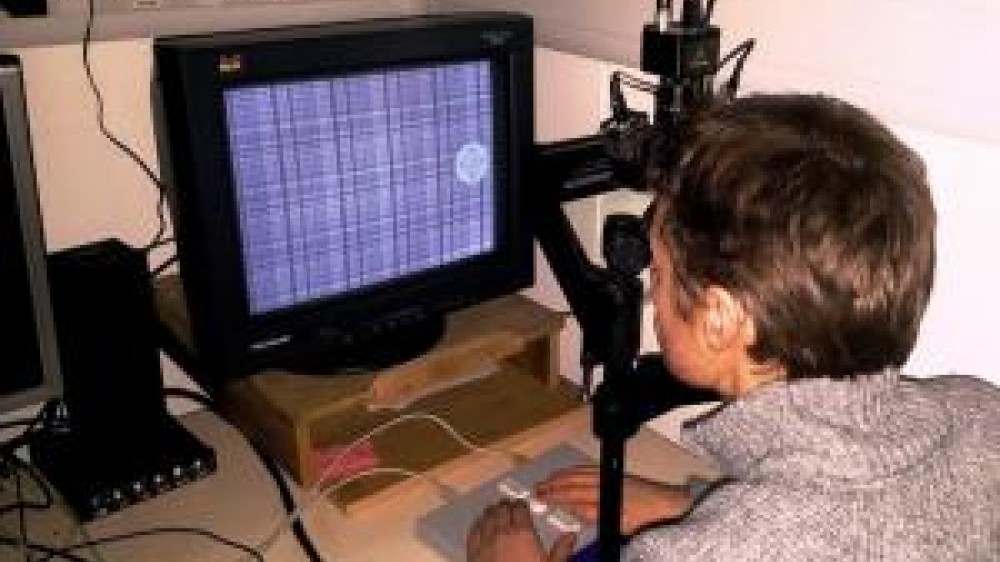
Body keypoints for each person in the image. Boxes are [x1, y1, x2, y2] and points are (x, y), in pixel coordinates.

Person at [465, 93, 1000, 562]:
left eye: (659, 269)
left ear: (719, 318)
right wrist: (693, 504)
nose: (653, 291)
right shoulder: (980, 413)